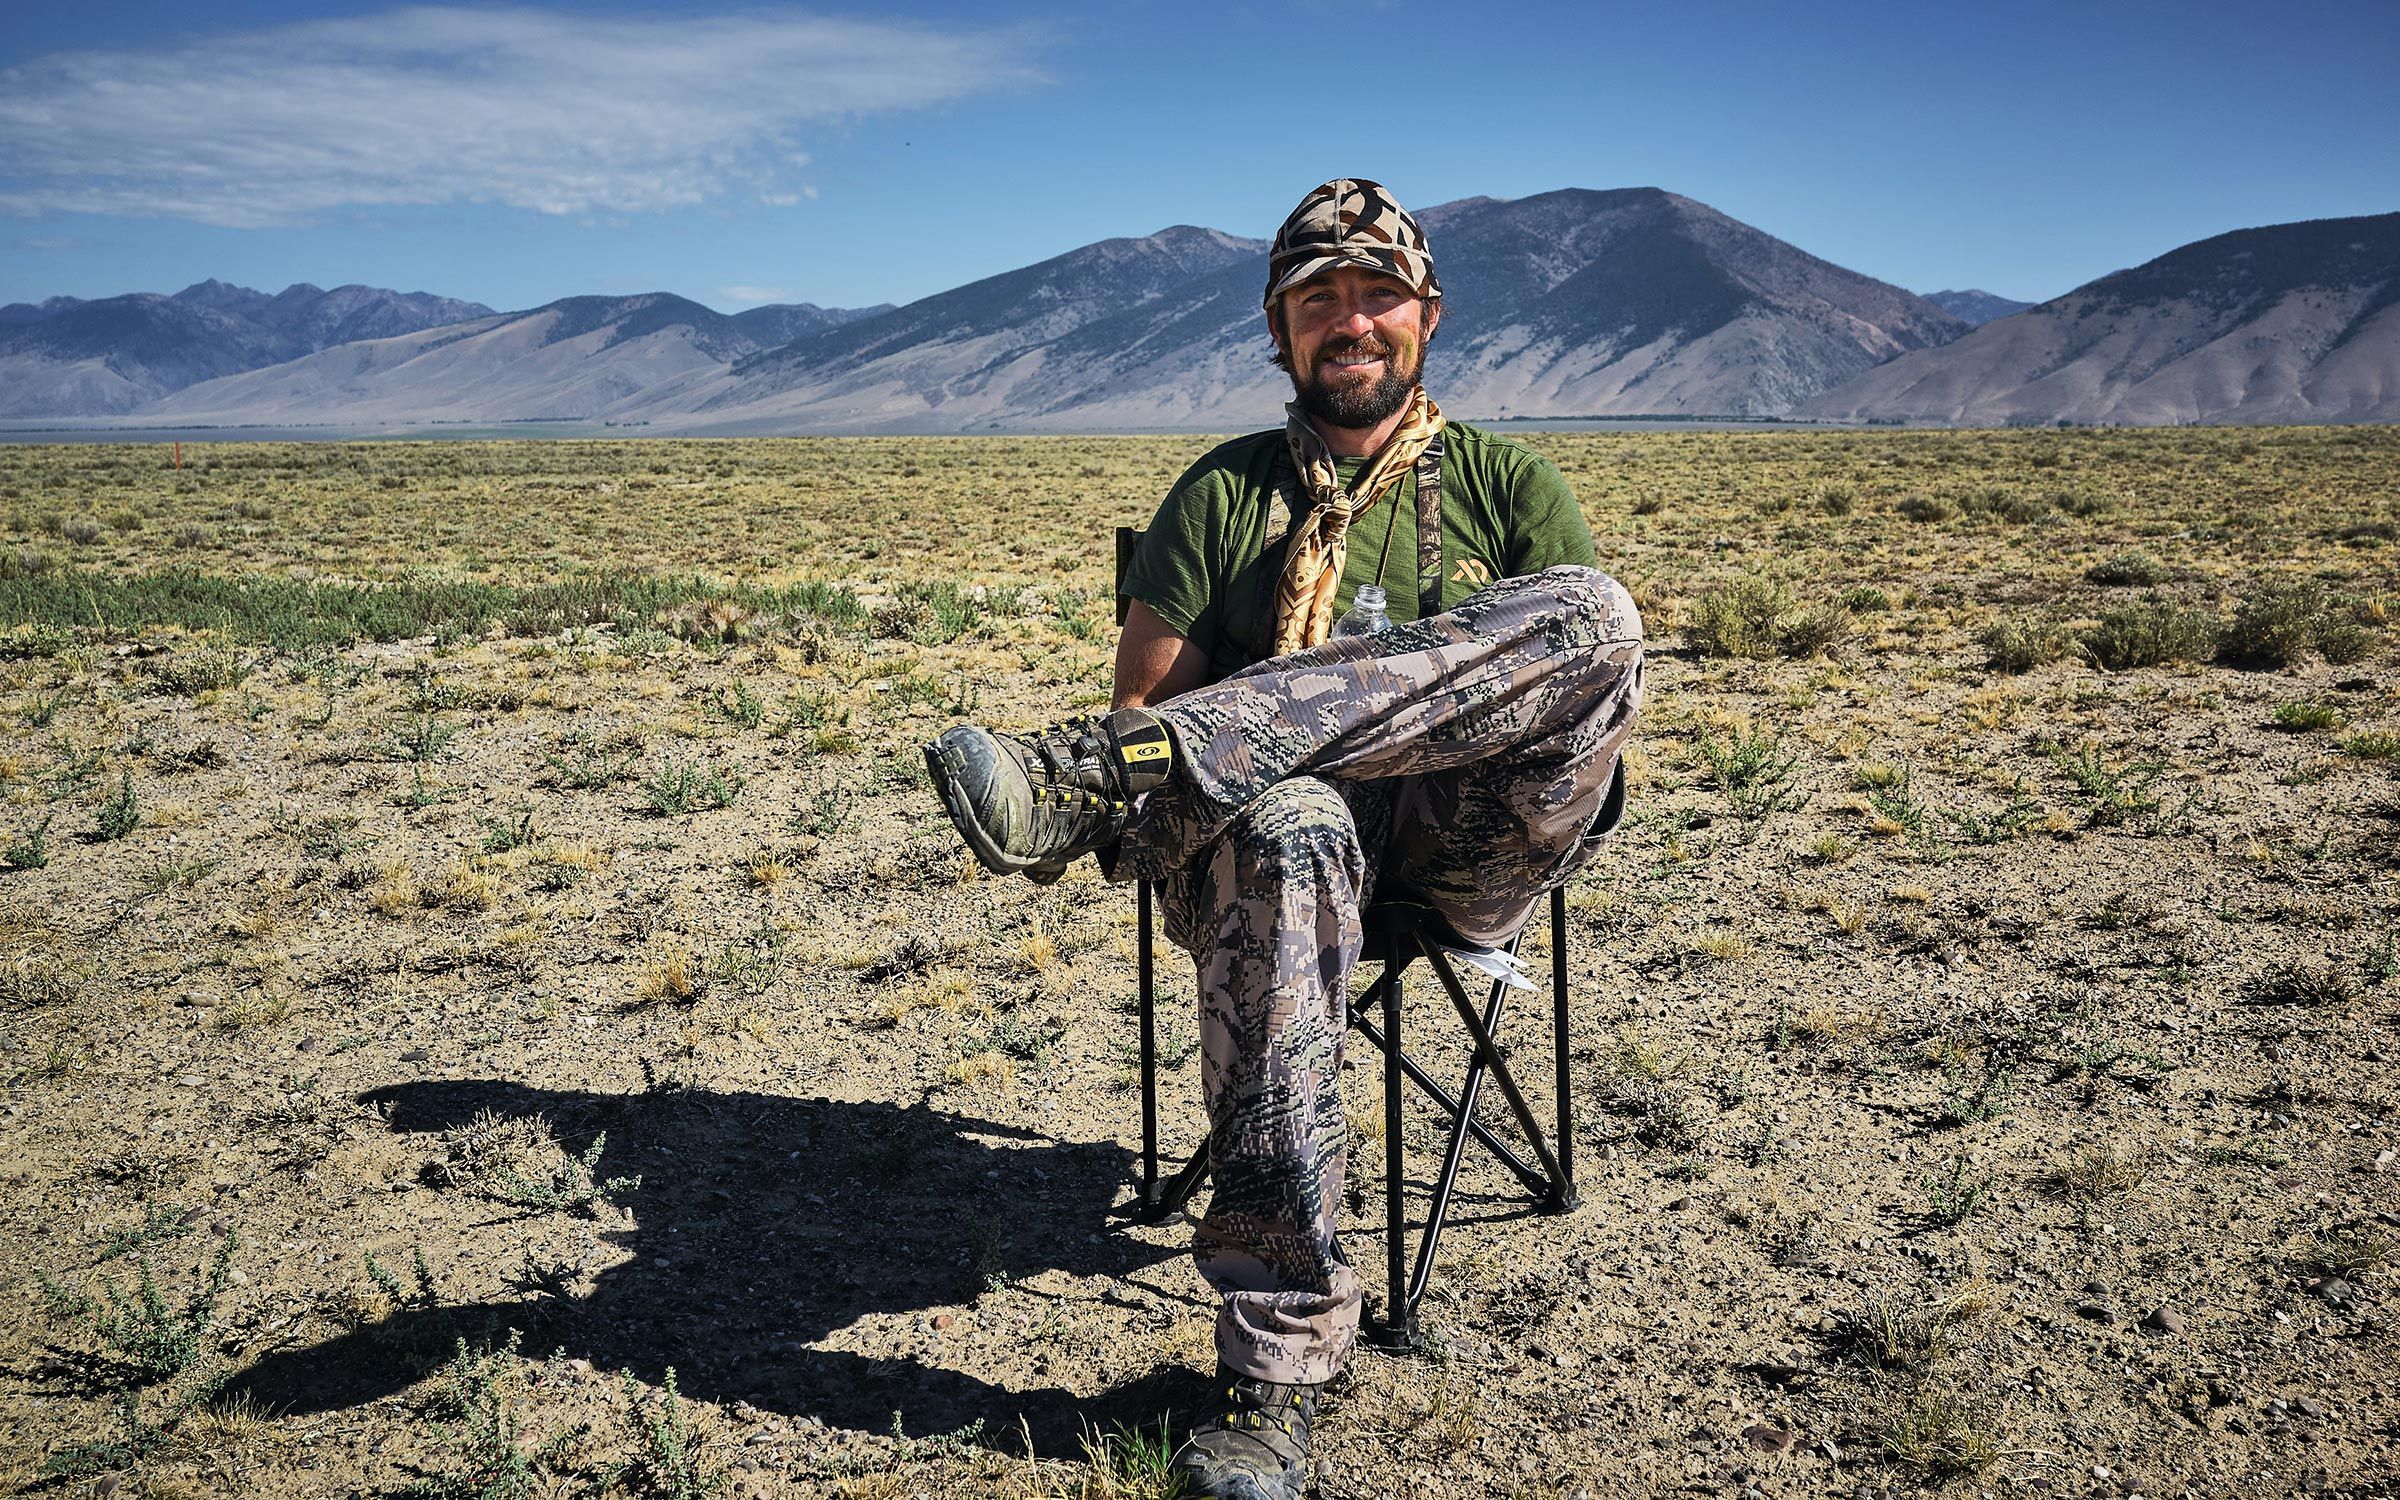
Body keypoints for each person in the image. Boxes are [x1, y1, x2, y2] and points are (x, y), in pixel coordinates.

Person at [924, 178, 1645, 1500]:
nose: (1351, 321)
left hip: (1467, 846)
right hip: (1265, 867)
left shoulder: (1509, 486)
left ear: (1427, 316)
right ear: (1279, 328)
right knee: (1292, 818)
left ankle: (1085, 781)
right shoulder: (1224, 495)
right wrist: (1245, 760)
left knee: (1596, 614)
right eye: (1320, 300)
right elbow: (1151, 700)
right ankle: (1273, 1379)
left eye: (1379, 294)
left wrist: (1244, 729)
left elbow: (1569, 689)